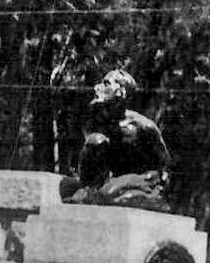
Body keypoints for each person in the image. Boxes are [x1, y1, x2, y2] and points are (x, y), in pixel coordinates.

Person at [64, 67, 172, 210]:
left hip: (145, 179)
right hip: (117, 178)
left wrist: (156, 184)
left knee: (107, 194)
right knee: (95, 141)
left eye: (106, 83)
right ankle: (89, 190)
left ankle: (148, 198)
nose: (98, 87)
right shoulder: (98, 122)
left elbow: (165, 165)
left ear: (121, 91)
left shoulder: (142, 126)